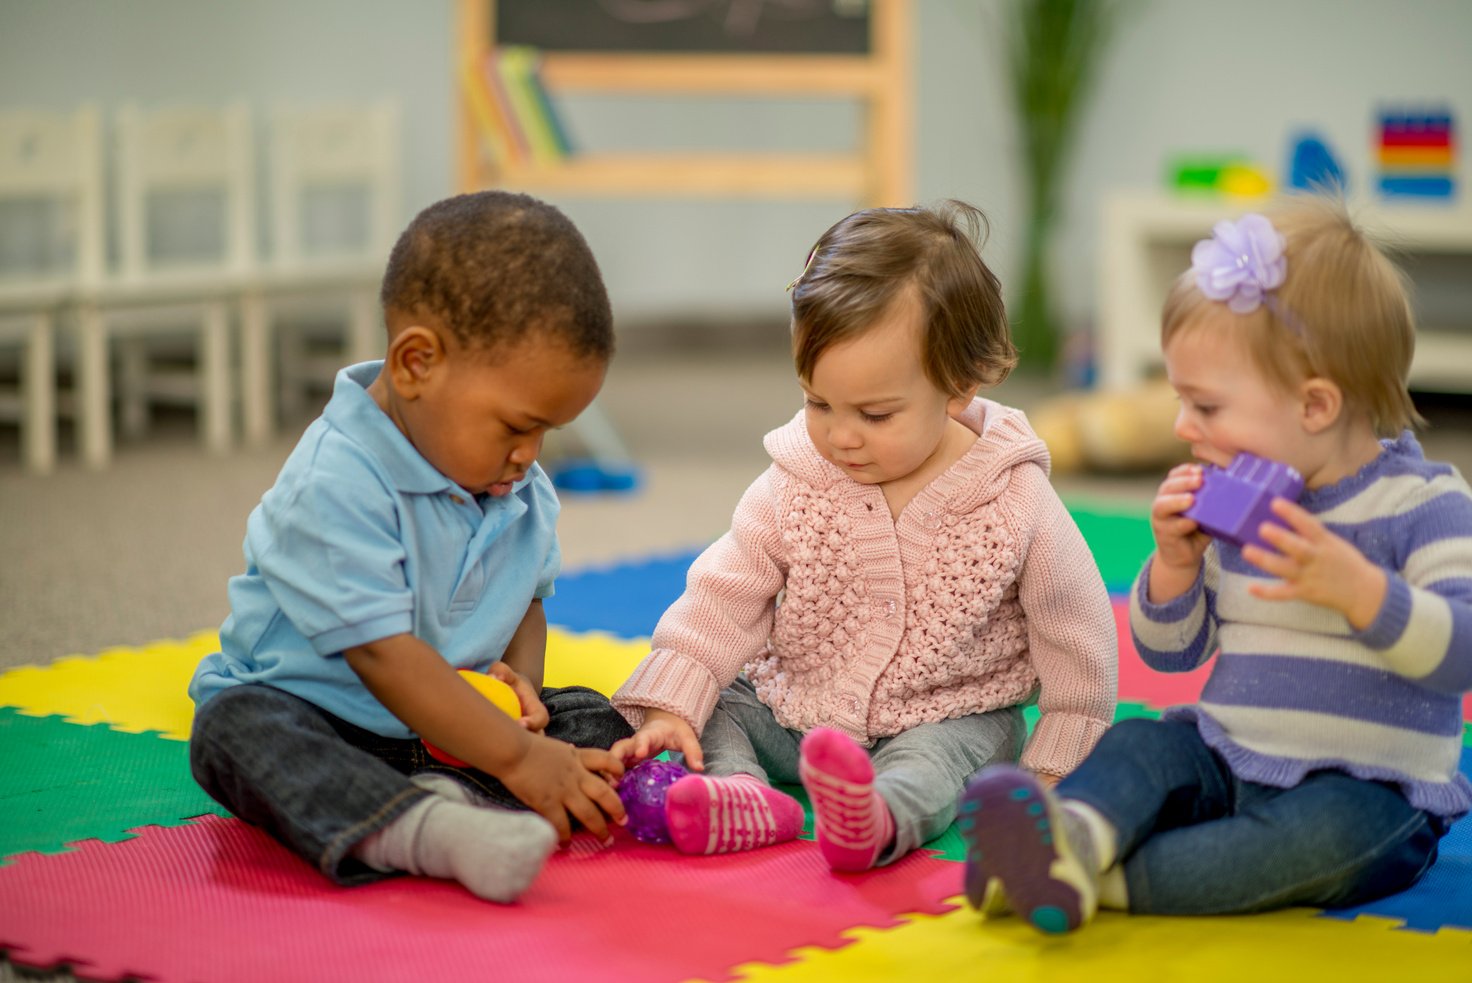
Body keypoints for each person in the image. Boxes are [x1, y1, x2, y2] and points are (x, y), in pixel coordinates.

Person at [960, 195, 1472, 934]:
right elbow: (1170, 654)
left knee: (1319, 843)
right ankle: (1071, 838)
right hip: (1230, 755)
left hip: (1371, 792)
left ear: (1316, 404)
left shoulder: (1426, 505)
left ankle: (1096, 884)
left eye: (1206, 406)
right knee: (1141, 742)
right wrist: (1173, 565)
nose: (1181, 427)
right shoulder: (1236, 499)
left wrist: (1363, 593)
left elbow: (1460, 653)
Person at [609, 200, 1118, 872]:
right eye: (818, 402)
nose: (840, 435)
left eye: (874, 414)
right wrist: (673, 704)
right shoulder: (795, 480)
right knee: (718, 704)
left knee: (946, 760)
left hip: (945, 713)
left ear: (958, 385)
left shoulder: (1013, 497)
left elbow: (1074, 630)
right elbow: (722, 596)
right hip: (796, 707)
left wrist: (1060, 758)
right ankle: (740, 793)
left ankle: (878, 818)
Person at [188, 191, 634, 904]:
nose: (529, 455)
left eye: (548, 431)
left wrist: (521, 700)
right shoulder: (334, 481)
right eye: (517, 425)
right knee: (233, 732)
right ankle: (425, 827)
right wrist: (515, 754)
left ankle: (654, 796)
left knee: (599, 714)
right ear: (416, 363)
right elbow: (381, 655)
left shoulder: (517, 485)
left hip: (451, 726)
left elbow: (525, 602)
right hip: (322, 716)